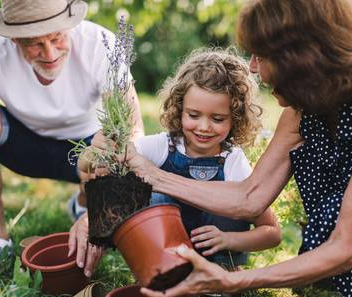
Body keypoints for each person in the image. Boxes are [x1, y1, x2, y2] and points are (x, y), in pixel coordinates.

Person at [89, 0, 352, 297]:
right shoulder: (304, 107)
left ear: (302, 59)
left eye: (260, 55)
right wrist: (147, 172)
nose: (251, 68)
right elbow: (250, 197)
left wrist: (233, 280)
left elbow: (346, 246)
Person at [0, 0, 144, 279]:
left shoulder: (100, 43)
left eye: (57, 37)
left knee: (115, 141)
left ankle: (84, 204)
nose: (49, 53)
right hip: (25, 146)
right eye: (34, 44)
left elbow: (133, 134)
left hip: (86, 150)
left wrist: (98, 213)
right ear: (13, 38)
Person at [81, 49, 281, 270]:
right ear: (180, 110)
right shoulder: (162, 147)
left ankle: (221, 279)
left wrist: (229, 239)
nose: (204, 127)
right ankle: (159, 272)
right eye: (194, 115)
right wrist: (96, 151)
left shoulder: (232, 160)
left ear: (235, 118)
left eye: (217, 118)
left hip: (215, 261)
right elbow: (91, 163)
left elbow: (272, 233)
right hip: (165, 258)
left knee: (233, 200)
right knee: (154, 196)